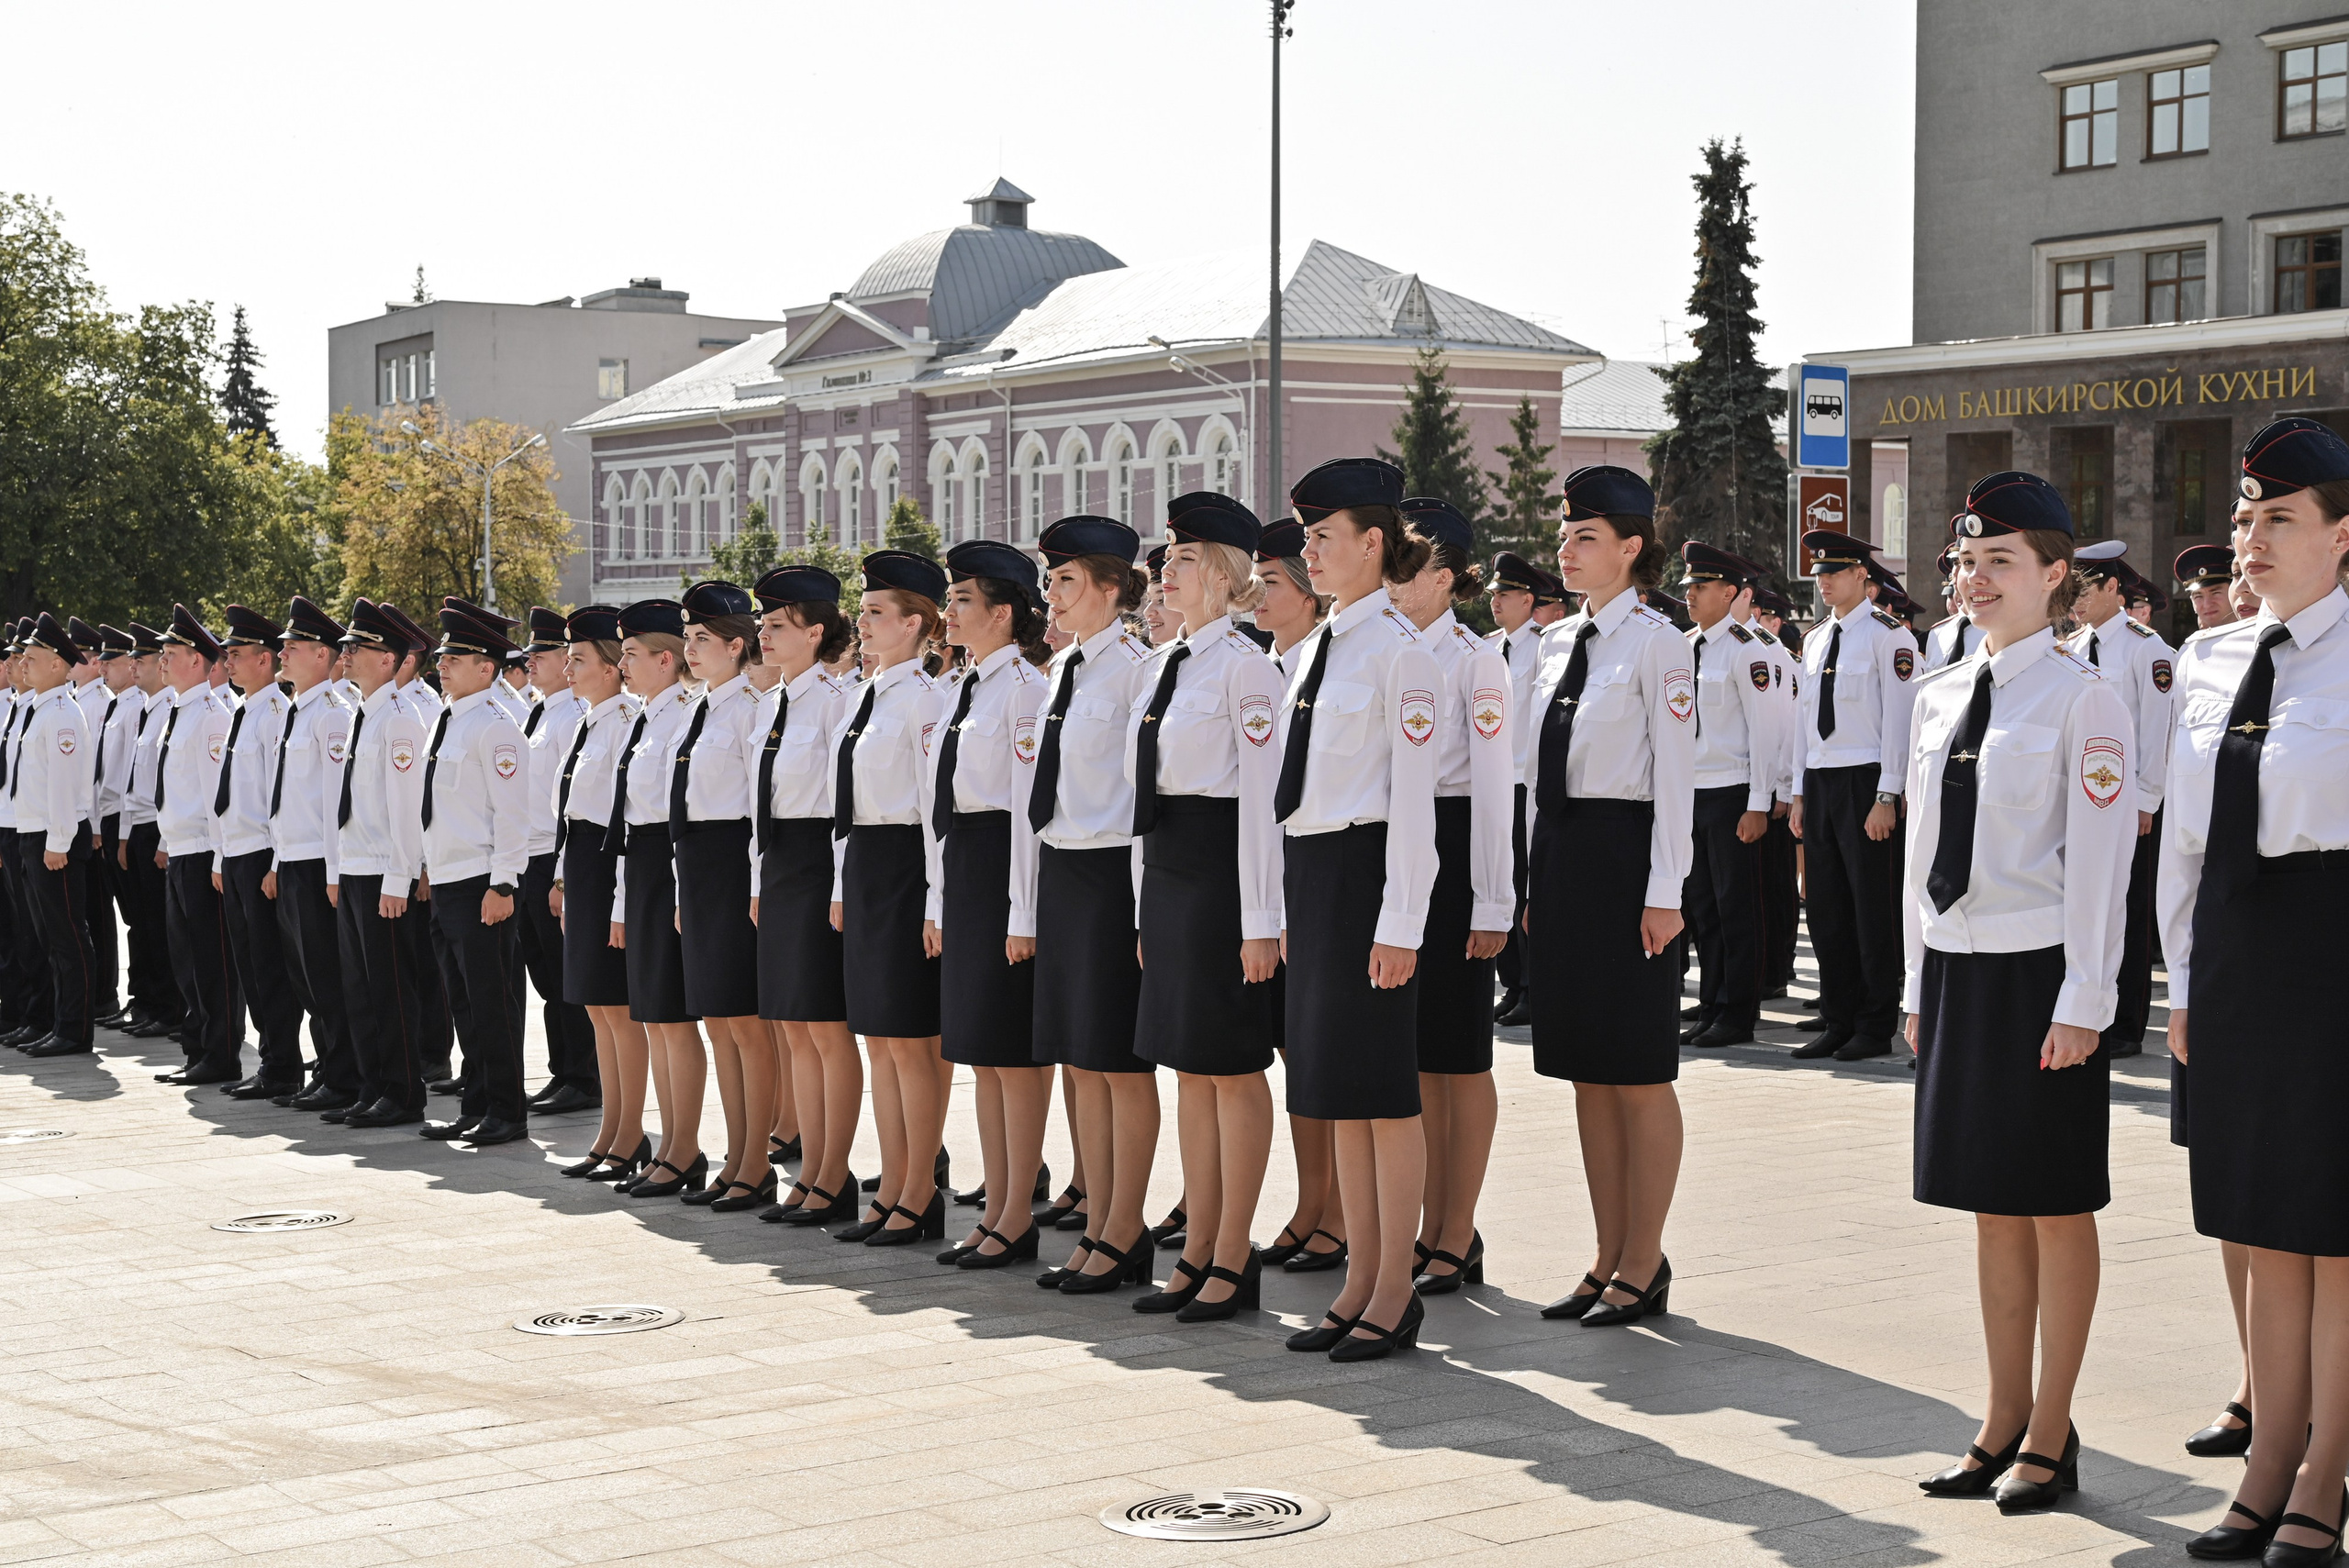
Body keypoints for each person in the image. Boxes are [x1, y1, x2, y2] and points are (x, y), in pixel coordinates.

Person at [1900, 473, 2132, 1513]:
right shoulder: (1939, 691)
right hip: (1957, 967)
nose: (1975, 578)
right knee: (1991, 1204)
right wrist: (1913, 981)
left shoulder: (2086, 697)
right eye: (1964, 561)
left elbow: (2096, 867)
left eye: (2000, 561)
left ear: (2056, 578)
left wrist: (2086, 996)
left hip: (2043, 974)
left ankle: (2052, 1427)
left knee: (2052, 1203)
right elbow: (1920, 853)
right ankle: (1999, 1415)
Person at [2164, 417, 2349, 1563]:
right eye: (2244, 517)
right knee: (2262, 1227)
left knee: (2334, 1234)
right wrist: (2182, 982)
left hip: (2334, 952)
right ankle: (2268, 1455)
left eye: (2279, 518)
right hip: (2233, 958)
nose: (2251, 538)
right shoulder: (2207, 659)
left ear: (2343, 536)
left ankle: (2323, 1473)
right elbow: (2183, 847)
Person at [1271, 456, 1441, 1362]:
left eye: (1323, 536)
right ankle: (1355, 1282)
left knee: (1382, 1094)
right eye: (1306, 536)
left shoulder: (1400, 656)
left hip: (1370, 875)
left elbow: (1412, 802)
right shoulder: (1318, 650)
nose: (1310, 551)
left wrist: (1401, 923)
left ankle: (1392, 1288)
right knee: (1338, 1090)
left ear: (1374, 542)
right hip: (1317, 874)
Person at [1521, 466, 1696, 1329]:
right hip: (1564, 858)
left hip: (1628, 862)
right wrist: (1527, 876)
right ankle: (1604, 1253)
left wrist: (1665, 890)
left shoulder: (1661, 642)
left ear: (1632, 548)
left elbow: (1676, 779)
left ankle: (1644, 1256)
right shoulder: (1555, 644)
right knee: (1587, 1072)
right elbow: (1531, 778)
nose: (1567, 549)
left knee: (1636, 1071)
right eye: (1564, 535)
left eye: (1585, 537)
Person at [1125, 499, 1286, 1319]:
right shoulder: (1165, 664)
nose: (1166, 570)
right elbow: (1144, 801)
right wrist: (1143, 909)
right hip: (1174, 874)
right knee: (1190, 1067)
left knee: (1232, 1065)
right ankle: (1194, 1249)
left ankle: (1233, 1251)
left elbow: (1261, 804)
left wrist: (1263, 920)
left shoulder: (1248, 667)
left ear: (1223, 575)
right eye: (1167, 559)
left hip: (1226, 875)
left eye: (1183, 558)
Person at [1026, 516, 1163, 1293]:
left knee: (1118, 1061)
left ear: (1112, 590)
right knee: (1081, 1058)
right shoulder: (1062, 670)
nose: (1053, 593)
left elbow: (1139, 800)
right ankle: (1100, 1217)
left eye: (1067, 580)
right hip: (1065, 870)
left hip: (1114, 874)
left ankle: (1126, 1225)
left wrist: (1141, 909)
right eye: (1051, 580)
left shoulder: (1137, 672)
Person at [1394, 497, 1513, 1296]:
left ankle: (1456, 1226)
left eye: (1410, 570)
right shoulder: (1386, 649)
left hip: (1459, 844)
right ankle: (1428, 1220)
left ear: (1447, 575)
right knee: (1417, 1057)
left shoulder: (1476, 659)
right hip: (1403, 849)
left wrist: (1494, 899)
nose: (1397, 586)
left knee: (1459, 1056)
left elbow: (1497, 786)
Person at [925, 540, 1052, 1266]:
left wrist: (1022, 912)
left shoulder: (1025, 693)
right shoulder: (968, 687)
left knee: (1011, 1052)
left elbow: (1024, 812)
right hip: (969, 868)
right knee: (981, 1048)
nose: (951, 610)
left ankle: (1016, 1212)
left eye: (963, 599)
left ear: (1003, 614)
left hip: (1006, 869)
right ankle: (997, 1203)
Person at [830, 551, 952, 1243]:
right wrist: (845, 881)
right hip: (870, 867)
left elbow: (935, 811)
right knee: (879, 1038)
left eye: (877, 612)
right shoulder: (863, 693)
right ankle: (892, 1180)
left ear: (915, 624)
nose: (864, 621)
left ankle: (919, 1189)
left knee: (911, 1041)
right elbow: (846, 804)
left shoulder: (926, 700)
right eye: (864, 610)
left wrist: (935, 900)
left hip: (909, 865)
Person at [1248, 518, 1347, 1274]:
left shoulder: (1313, 667)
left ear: (1312, 596)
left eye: (1273, 580)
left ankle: (1336, 1210)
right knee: (1295, 1052)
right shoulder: (1270, 668)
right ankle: (1313, 1200)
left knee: (1318, 1053)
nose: (1257, 592)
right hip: (1269, 892)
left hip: (1313, 885)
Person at [744, 568, 858, 1223]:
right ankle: (810, 1166)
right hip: (781, 865)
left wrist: (839, 886)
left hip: (819, 862)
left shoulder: (836, 702)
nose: (765, 633)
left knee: (824, 1025)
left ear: (815, 632)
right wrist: (761, 877)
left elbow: (842, 808)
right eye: (764, 624)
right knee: (791, 1024)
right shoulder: (773, 703)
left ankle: (833, 1174)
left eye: (778, 625)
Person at [663, 581, 774, 1211]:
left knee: (746, 1024)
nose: (692, 648)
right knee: (718, 1024)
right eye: (689, 637)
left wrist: (754, 886)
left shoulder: (748, 712)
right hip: (701, 870)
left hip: (734, 867)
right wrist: (684, 888)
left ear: (737, 645)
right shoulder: (697, 709)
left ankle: (756, 1158)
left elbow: (756, 814)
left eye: (703, 639)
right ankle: (736, 1153)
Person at [1789, 531, 1920, 1062]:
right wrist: (1798, 792)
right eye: (1819, 574)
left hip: (1866, 780)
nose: (1823, 582)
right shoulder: (1817, 638)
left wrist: (1888, 794)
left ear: (1862, 577)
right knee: (1825, 909)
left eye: (1834, 573)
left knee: (1872, 908)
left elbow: (1900, 721)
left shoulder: (1891, 637)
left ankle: (1874, 1021)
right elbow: (1804, 721)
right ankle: (1838, 1018)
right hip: (1821, 782)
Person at [414, 600, 532, 1147]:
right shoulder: (449, 717)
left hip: (483, 881)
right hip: (448, 878)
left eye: (455, 657)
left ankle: (507, 1111)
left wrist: (504, 882)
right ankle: (476, 1103)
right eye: (442, 656)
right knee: (463, 1002)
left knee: (493, 1003)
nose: (442, 664)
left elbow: (513, 813)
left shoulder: (495, 727)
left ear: (486, 667)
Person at [605, 599, 706, 1194]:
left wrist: (672, 888)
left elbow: (674, 814)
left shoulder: (681, 717)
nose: (623, 664)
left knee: (672, 1016)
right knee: (653, 1017)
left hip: (666, 864)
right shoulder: (645, 717)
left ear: (665, 660)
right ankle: (669, 1144)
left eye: (632, 654)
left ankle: (684, 1146)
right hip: (641, 866)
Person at [550, 606, 651, 1182]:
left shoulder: (625, 724)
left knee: (618, 1011)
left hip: (610, 871)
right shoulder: (589, 721)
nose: (567, 666)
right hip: (585, 870)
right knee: (596, 1009)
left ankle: (629, 1133)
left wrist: (613, 903)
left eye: (579, 658)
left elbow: (621, 821)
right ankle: (611, 1130)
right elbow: (574, 814)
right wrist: (565, 880)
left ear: (612, 668)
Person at [2063, 540, 2175, 1062]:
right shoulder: (2070, 646)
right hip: (2081, 804)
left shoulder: (2144, 647)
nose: (2076, 599)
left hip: (2128, 803)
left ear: (2114, 588)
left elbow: (2156, 731)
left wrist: (2146, 800)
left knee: (2127, 909)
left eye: (2085, 588)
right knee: (2086, 906)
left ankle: (2127, 1023)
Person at [325, 601, 432, 1126]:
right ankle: (372, 1084)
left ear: (389, 659)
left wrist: (398, 878)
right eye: (345, 647)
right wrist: (337, 870)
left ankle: (403, 1090)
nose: (345, 655)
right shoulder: (361, 715)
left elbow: (407, 809)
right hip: (356, 868)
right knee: (360, 988)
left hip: (384, 875)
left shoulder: (400, 721)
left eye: (356, 648)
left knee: (391, 988)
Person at [1676, 542, 1782, 1050]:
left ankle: (1739, 1011)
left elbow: (1765, 732)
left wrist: (1759, 803)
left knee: (1737, 908)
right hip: (1692, 793)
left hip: (1732, 792)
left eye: (1700, 587)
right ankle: (1714, 1001)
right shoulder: (1684, 645)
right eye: (1689, 588)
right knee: (1702, 908)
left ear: (1731, 592)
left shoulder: (1749, 648)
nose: (1691, 596)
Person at [266, 598, 359, 1115]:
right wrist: (279, 862)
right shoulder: (297, 709)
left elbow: (331, 802)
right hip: (294, 859)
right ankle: (327, 1070)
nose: (283, 653)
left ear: (323, 655)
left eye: (293, 647)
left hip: (319, 864)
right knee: (305, 978)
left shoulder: (332, 716)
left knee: (325, 976)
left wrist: (331, 870)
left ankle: (342, 1075)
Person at [209, 606, 305, 1100]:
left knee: (270, 965)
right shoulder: (242, 711)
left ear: (265, 659)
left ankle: (283, 1065)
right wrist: (220, 857)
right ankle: (271, 1060)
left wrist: (271, 864)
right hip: (237, 853)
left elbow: (276, 795)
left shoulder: (273, 714)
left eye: (237, 653)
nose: (228, 660)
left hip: (263, 853)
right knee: (248, 962)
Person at [150, 607, 242, 1085]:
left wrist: (221, 856)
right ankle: (197, 1046)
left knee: (212, 960)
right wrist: (167, 839)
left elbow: (215, 796)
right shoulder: (180, 711)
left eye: (170, 654)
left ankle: (221, 1052)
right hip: (182, 848)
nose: (161, 661)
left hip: (205, 851)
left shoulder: (210, 717)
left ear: (196, 661)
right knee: (185, 957)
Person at [514, 606, 598, 1118]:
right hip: (529, 854)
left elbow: (570, 800)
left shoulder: (573, 714)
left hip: (553, 853)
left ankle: (583, 1076)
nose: (536, 662)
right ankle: (562, 1071)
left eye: (541, 654)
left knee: (566, 973)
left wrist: (561, 875)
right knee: (546, 976)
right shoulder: (540, 711)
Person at [7, 613, 97, 1058]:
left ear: (60, 665)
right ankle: (59, 1022)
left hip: (54, 838)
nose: (23, 664)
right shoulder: (38, 708)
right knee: (47, 936)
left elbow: (64, 786)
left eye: (33, 657)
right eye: (23, 657)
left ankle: (74, 1029)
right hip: (34, 833)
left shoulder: (61, 714)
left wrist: (58, 842)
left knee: (67, 936)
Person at [1486, 550, 1563, 1029]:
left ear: (1528, 599)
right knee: (1501, 885)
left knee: (1527, 884)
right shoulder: (1489, 648)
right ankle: (1513, 982)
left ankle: (1536, 985)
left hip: (1525, 782)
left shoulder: (1543, 647)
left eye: (1505, 594)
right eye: (1493, 594)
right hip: (1494, 785)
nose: (1495, 602)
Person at [2177, 544, 2239, 632]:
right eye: (2198, 596)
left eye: (2215, 593)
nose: (2207, 604)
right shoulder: (2191, 645)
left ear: (2234, 592)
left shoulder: (2255, 638)